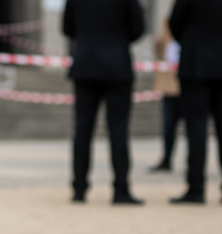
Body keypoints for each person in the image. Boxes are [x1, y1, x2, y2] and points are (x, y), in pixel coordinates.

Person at [62, 0, 146, 205]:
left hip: (85, 63)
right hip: (116, 64)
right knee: (118, 129)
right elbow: (138, 28)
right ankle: (120, 189)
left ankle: (79, 188)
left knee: (82, 129)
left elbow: (67, 27)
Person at [168, 0, 222, 204]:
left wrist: (190, 40)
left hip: (196, 62)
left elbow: (175, 23)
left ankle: (196, 187)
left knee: (196, 128)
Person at [150, 21, 184, 173]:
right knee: (168, 126)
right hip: (170, 85)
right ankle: (167, 158)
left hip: (187, 86)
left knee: (193, 127)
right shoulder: (168, 31)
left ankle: (193, 163)